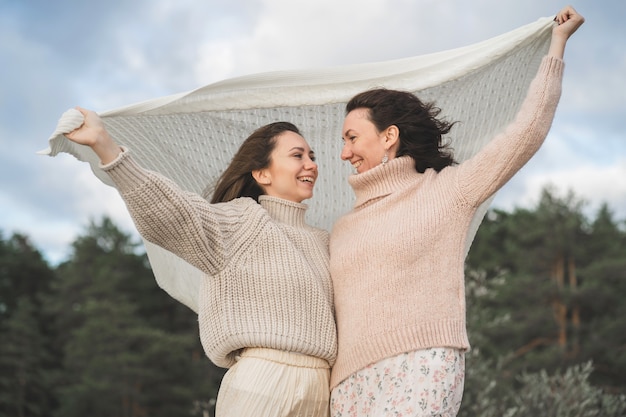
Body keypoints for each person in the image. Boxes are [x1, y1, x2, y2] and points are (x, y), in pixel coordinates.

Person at [328, 5, 584, 416]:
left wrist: (556, 46)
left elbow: (525, 133)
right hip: (345, 385)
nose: (344, 153)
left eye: (352, 138)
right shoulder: (341, 228)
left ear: (389, 136)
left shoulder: (446, 192)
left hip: (422, 366)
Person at [64, 113, 337, 416]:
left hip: (322, 388)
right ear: (262, 174)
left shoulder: (324, 241)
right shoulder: (242, 221)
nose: (311, 164)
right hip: (263, 382)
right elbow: (173, 213)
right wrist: (107, 148)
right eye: (297, 155)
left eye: (312, 156)